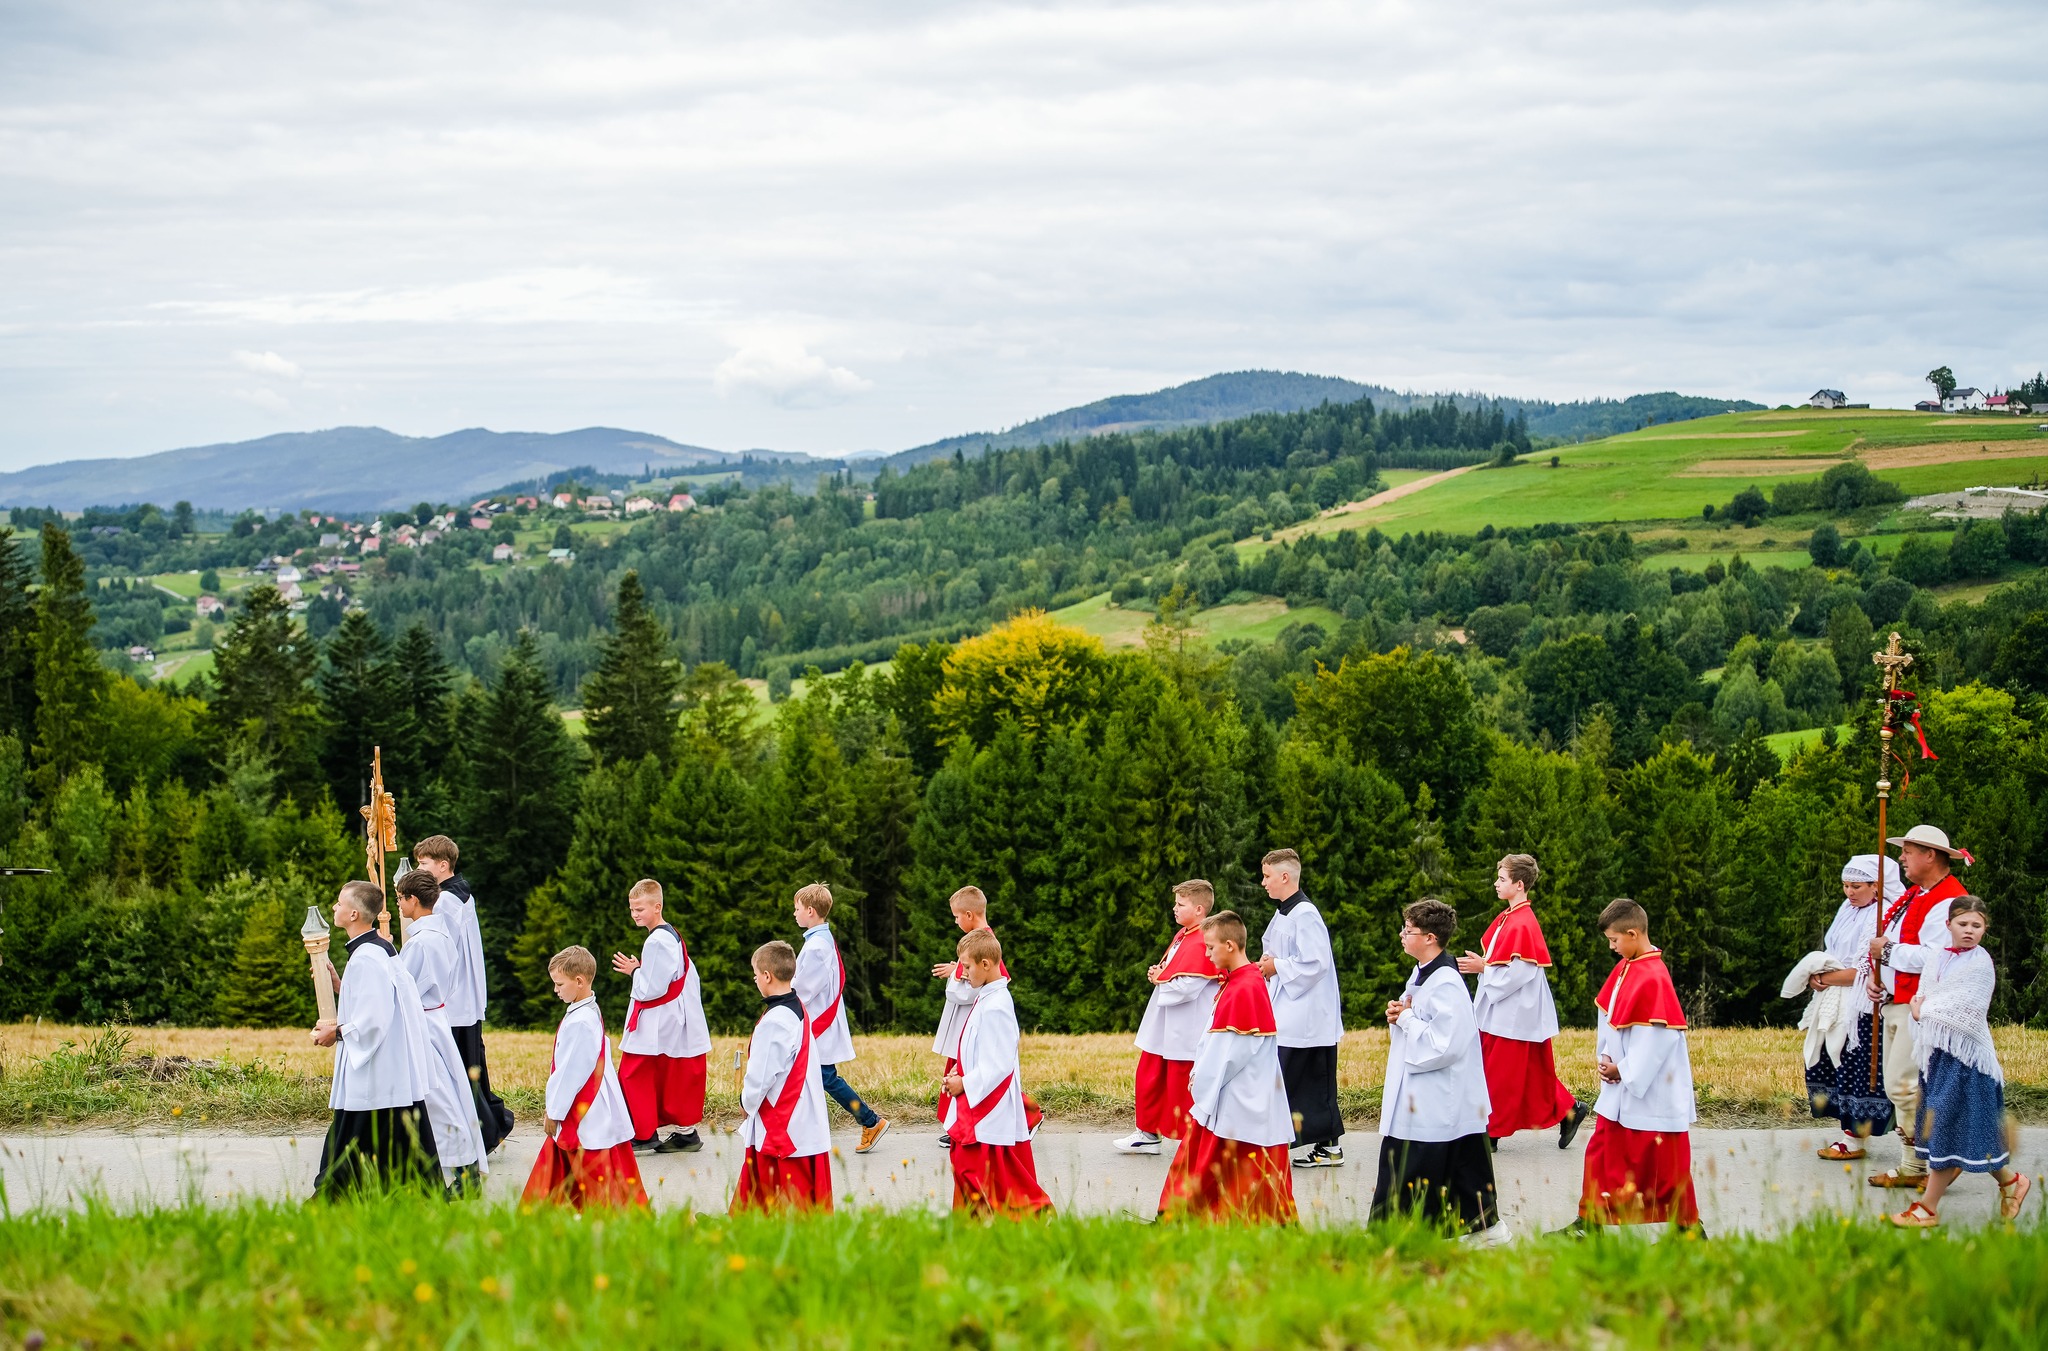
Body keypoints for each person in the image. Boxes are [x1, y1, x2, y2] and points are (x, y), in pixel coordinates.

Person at [1372, 899, 1510, 1244]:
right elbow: (1419, 1016)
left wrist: (1406, 1018)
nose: (1402, 935)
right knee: (1442, 1163)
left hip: (1439, 1093)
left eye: (1409, 930)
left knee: (1429, 1164)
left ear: (1430, 938)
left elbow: (1446, 1043)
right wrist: (1401, 1013)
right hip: (1424, 1092)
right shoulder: (1423, 972)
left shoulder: (1446, 982)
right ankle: (1406, 1234)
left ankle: (1420, 1235)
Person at [1889, 898, 2031, 1227]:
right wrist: (1920, 1006)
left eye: (1976, 926)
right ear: (1949, 925)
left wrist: (1922, 1010)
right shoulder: (1937, 957)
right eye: (1963, 924)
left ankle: (1927, 1209)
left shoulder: (1980, 965)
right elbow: (1924, 993)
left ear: (1985, 929)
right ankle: (2011, 1182)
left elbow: (1966, 1009)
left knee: (1944, 1125)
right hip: (1939, 1055)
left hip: (1967, 1059)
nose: (1969, 931)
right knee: (1968, 1129)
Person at [1158, 910, 1297, 1223]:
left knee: (1223, 1161)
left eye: (1210, 947)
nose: (1206, 954)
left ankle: (1197, 1217)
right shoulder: (1240, 981)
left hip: (1240, 1095)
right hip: (1234, 1091)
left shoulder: (1245, 988)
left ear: (1230, 946)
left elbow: (1231, 1050)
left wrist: (1201, 1081)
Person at [310, 881, 443, 1199]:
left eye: (339, 903)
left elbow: (374, 1020)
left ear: (353, 914)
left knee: (356, 1134)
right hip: (390, 1068)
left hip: (376, 1069)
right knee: (393, 1134)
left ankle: (335, 1197)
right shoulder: (379, 949)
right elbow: (384, 999)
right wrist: (341, 985)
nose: (334, 908)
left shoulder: (366, 957)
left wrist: (335, 1033)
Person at [1576, 899, 1700, 1232]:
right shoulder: (1626, 967)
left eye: (1614, 940)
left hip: (1649, 1090)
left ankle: (1687, 1228)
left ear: (1633, 934)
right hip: (1621, 1089)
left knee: (1664, 1164)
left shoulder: (1654, 976)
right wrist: (1606, 1054)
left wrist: (1624, 1069)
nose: (1612, 947)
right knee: (1601, 1151)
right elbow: (1610, 1017)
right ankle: (1590, 1223)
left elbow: (1659, 1038)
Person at [1864, 824, 1970, 1192]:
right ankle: (1917, 1163)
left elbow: (1936, 956)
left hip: (1924, 1007)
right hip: (1900, 1002)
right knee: (1902, 1087)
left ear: (1930, 855)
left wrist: (1888, 953)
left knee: (1905, 1086)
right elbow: (1892, 943)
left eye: (1908, 851)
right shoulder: (1915, 895)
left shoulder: (1949, 901)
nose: (1902, 858)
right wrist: (1878, 977)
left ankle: (1937, 1160)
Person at [1458, 854, 1589, 1150]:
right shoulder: (1509, 917)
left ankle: (1490, 1134)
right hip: (1505, 1010)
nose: (1496, 883)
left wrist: (1483, 968)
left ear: (1519, 884)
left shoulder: (1523, 923)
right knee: (1529, 1074)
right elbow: (1501, 962)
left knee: (1499, 1074)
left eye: (1502, 879)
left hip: (1514, 1013)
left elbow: (1519, 973)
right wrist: (1485, 965)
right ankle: (1569, 1110)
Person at [1783, 854, 1900, 1158]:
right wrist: (1819, 975)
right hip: (1836, 995)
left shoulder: (1882, 914)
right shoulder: (1847, 909)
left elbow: (1865, 968)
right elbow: (1833, 950)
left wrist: (1824, 978)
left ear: (1876, 886)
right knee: (1838, 1065)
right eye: (1846, 885)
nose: (1849, 892)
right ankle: (1850, 1135)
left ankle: (1869, 1140)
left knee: (1859, 1068)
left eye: (1856, 886)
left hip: (1862, 1003)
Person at [520, 946, 647, 1210]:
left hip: (583, 1111)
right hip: (592, 1107)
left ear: (579, 981)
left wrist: (554, 1112)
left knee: (585, 1173)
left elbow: (570, 1073)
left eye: (559, 984)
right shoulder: (589, 1011)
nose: (555, 990)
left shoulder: (580, 1022)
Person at [411, 835, 514, 1151]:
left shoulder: (445, 901)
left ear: (443, 865)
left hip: (453, 999)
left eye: (424, 864)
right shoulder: (462, 893)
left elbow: (443, 949)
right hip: (467, 997)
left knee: (461, 1071)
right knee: (472, 1065)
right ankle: (491, 1124)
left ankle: (485, 1131)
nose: (419, 869)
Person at [942, 928, 1054, 1216]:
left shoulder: (997, 1005)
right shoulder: (986, 996)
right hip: (980, 1098)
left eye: (966, 967)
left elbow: (999, 1063)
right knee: (980, 1172)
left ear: (985, 964)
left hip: (987, 1106)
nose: (963, 973)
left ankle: (1030, 1216)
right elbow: (977, 1045)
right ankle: (978, 1225)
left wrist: (965, 1083)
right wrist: (959, 1068)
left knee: (979, 1171)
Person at [392, 869, 489, 1195]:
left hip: (423, 1024)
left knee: (440, 1100)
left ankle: (464, 1174)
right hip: (436, 1019)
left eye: (400, 898)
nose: (398, 905)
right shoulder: (440, 934)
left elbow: (402, 989)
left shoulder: (422, 943)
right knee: (446, 1096)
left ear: (413, 899)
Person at [1116, 879, 1222, 1155]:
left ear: (1199, 909)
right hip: (1164, 1023)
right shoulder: (1184, 934)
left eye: (1180, 904)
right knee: (1150, 1075)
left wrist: (1159, 979)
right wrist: (1160, 973)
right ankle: (1147, 1133)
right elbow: (1174, 970)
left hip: (1185, 1026)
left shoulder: (1203, 939)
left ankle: (1192, 1141)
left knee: (1180, 1085)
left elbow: (1189, 987)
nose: (1174, 908)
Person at [1256, 848, 1344, 1167]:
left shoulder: (1305, 914)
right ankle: (1317, 1145)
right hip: (1291, 1009)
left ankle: (1326, 1147)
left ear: (1285, 876)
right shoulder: (1285, 911)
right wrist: (1268, 961)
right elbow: (1275, 949)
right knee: (1300, 1081)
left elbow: (1316, 962)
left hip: (1308, 1015)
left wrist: (1276, 966)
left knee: (1309, 1081)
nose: (1263, 882)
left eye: (1267, 876)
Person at [732, 940, 834, 1213]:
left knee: (781, 1191)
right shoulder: (796, 1006)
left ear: (767, 976)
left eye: (755, 974)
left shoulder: (776, 1020)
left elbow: (762, 1074)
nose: (755, 979)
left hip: (784, 1119)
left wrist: (745, 1102)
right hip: (802, 1113)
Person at [611, 878, 708, 1154]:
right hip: (672, 1017)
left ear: (657, 907)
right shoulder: (670, 934)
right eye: (632, 909)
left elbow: (651, 988)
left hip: (657, 1020)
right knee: (674, 1074)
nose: (634, 914)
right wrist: (642, 970)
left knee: (634, 1073)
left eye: (640, 909)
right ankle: (685, 1134)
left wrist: (635, 972)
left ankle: (643, 1134)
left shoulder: (656, 941)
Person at [794, 882, 889, 1154]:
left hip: (819, 1023)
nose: (794, 913)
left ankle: (870, 1120)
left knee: (825, 1078)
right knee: (817, 1078)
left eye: (797, 908)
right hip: (821, 1021)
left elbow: (804, 989)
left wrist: (782, 993)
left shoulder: (816, 947)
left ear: (810, 911)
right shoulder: (820, 940)